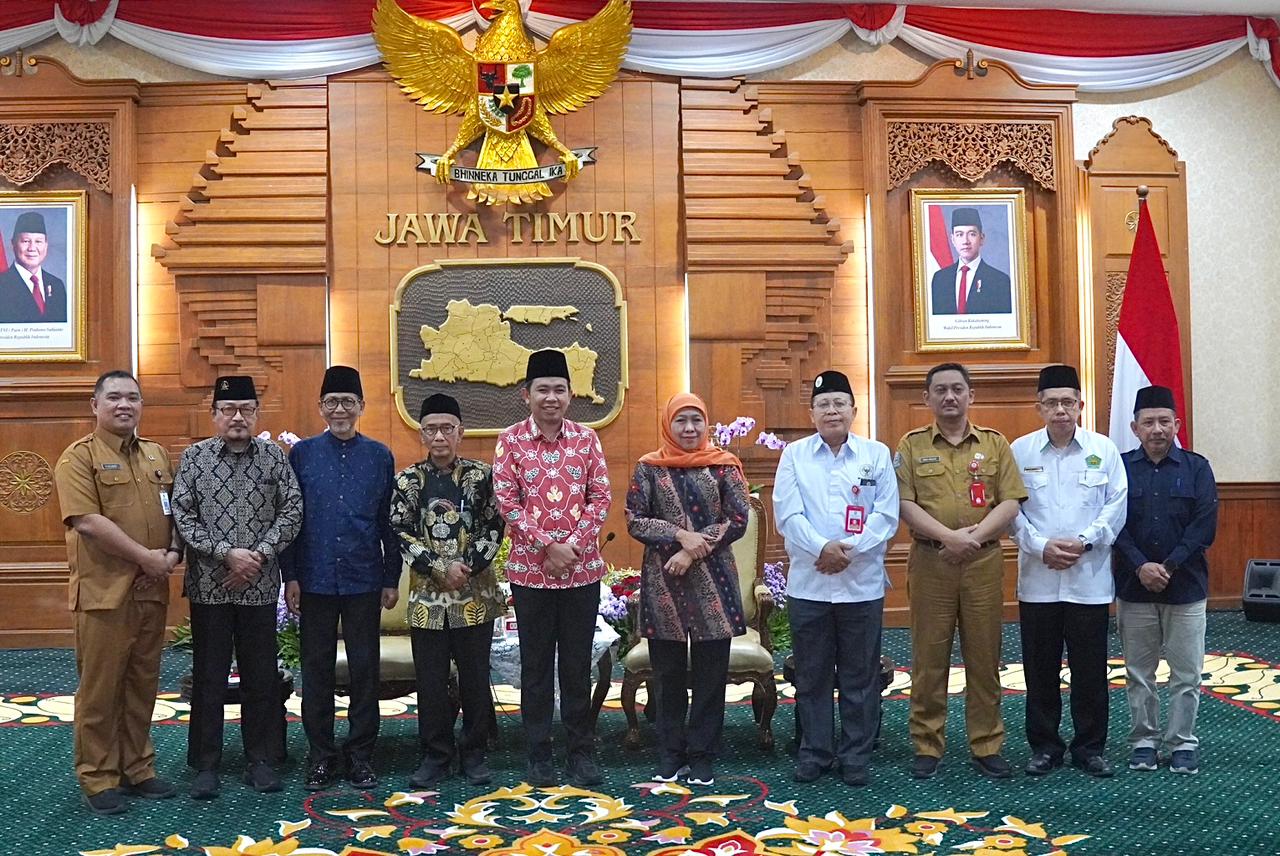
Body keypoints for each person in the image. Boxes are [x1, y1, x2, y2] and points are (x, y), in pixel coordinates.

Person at [53, 370, 182, 815]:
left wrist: (170, 554)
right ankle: (98, 776)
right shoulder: (77, 459)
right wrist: (146, 559)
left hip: (150, 592)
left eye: (132, 397)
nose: (124, 405)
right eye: (114, 398)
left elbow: (176, 514)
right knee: (100, 690)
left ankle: (138, 768)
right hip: (104, 595)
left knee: (141, 685)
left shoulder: (157, 455)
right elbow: (88, 522)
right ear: (95, 405)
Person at [171, 375, 302, 799]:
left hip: (259, 587)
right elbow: (183, 516)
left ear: (257, 414)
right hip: (210, 586)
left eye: (246, 409)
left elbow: (292, 512)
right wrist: (228, 553)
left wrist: (257, 556)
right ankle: (206, 764)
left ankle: (260, 759)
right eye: (228, 409)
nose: (238, 417)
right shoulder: (194, 458)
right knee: (209, 675)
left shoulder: (274, 458)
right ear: (214, 415)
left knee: (259, 675)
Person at [895, 362, 1026, 779]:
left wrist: (971, 539)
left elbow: (1010, 501)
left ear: (972, 395)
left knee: (984, 656)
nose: (949, 397)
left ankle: (986, 743)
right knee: (929, 656)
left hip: (983, 562)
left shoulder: (995, 444)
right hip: (932, 562)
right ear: (927, 399)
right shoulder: (911, 446)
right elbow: (905, 503)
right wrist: (949, 538)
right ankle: (927, 744)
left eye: (957, 389)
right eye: (941, 391)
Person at [772, 371, 900, 788]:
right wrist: (822, 549)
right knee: (811, 675)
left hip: (860, 583)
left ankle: (855, 754)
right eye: (824, 404)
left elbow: (886, 515)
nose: (832, 410)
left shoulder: (876, 454)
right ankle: (815, 751)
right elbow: (787, 515)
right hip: (809, 584)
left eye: (840, 403)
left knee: (860, 675)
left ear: (853, 410)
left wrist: (849, 551)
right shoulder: (794, 455)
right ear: (811, 413)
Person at [493, 349, 611, 788]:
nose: (550, 397)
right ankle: (538, 753)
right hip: (530, 574)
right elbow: (507, 501)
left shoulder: (587, 438)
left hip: (581, 573)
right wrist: (547, 545)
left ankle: (580, 753)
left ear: (570, 394)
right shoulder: (510, 440)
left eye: (559, 389)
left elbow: (600, 498)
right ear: (526, 395)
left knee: (577, 666)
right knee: (537, 666)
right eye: (542, 389)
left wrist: (573, 547)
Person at [280, 366, 399, 792]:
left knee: (365, 670)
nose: (340, 409)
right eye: (332, 402)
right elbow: (291, 521)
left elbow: (389, 523)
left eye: (349, 402)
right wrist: (289, 576)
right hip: (313, 579)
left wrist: (391, 577)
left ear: (362, 407)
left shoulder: (380, 456)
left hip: (364, 578)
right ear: (320, 408)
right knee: (317, 670)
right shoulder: (303, 455)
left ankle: (361, 754)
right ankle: (322, 755)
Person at [626, 392, 751, 788]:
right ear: (668, 424)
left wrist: (694, 550)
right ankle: (670, 753)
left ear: (707, 424)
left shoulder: (724, 466)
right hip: (665, 581)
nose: (690, 428)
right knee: (668, 676)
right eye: (681, 421)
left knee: (712, 677)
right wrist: (681, 536)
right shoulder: (648, 467)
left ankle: (702, 755)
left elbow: (737, 519)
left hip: (715, 584)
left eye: (697, 420)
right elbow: (634, 519)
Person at [1010, 365, 1127, 779]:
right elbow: (1010, 511)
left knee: (1090, 669)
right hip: (1038, 580)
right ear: (1038, 407)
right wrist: (1041, 546)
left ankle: (1090, 748)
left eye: (1068, 402)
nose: (1060, 410)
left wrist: (1085, 541)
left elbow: (1116, 505)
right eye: (1051, 402)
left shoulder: (1104, 450)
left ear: (1080, 405)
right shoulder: (1019, 451)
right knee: (1039, 669)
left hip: (1088, 579)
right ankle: (1044, 747)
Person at [391, 393, 506, 788]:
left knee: (475, 678)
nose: (439, 437)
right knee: (431, 680)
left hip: (475, 595)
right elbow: (399, 531)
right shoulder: (407, 481)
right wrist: (439, 566)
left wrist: (467, 566)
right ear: (421, 434)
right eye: (431, 429)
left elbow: (496, 525)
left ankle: (474, 753)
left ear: (461, 432)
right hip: (427, 598)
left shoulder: (482, 476)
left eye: (447, 429)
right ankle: (435, 755)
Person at [1114, 384, 1218, 776]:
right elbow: (1114, 526)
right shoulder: (1120, 468)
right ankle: (1143, 741)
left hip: (1186, 587)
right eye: (1148, 422)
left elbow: (1203, 527)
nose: (1156, 429)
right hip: (1133, 585)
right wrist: (1141, 565)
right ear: (1134, 427)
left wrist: (1169, 566)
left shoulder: (1197, 467)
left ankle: (1182, 743)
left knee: (1186, 673)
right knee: (1139, 672)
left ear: (1176, 424)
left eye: (1163, 421)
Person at [929, 207, 1012, 315]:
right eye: (959, 234)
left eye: (972, 234)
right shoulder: (940, 279)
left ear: (981, 238)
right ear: (953, 239)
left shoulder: (1000, 281)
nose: (965, 241)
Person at [0, 211, 68, 323]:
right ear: (13, 244)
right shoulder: (2, 284)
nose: (32, 248)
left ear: (46, 245)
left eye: (38, 241)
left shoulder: (57, 285)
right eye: (26, 241)